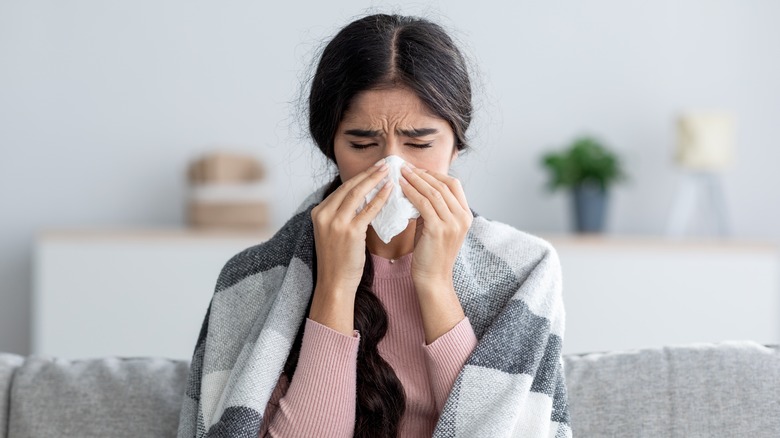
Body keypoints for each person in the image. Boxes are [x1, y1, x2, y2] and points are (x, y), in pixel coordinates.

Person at [178, 13, 571, 438]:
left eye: (419, 143)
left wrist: (436, 284)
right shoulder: (253, 281)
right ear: (331, 146)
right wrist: (334, 286)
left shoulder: (526, 271)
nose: (391, 167)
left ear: (457, 144)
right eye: (362, 144)